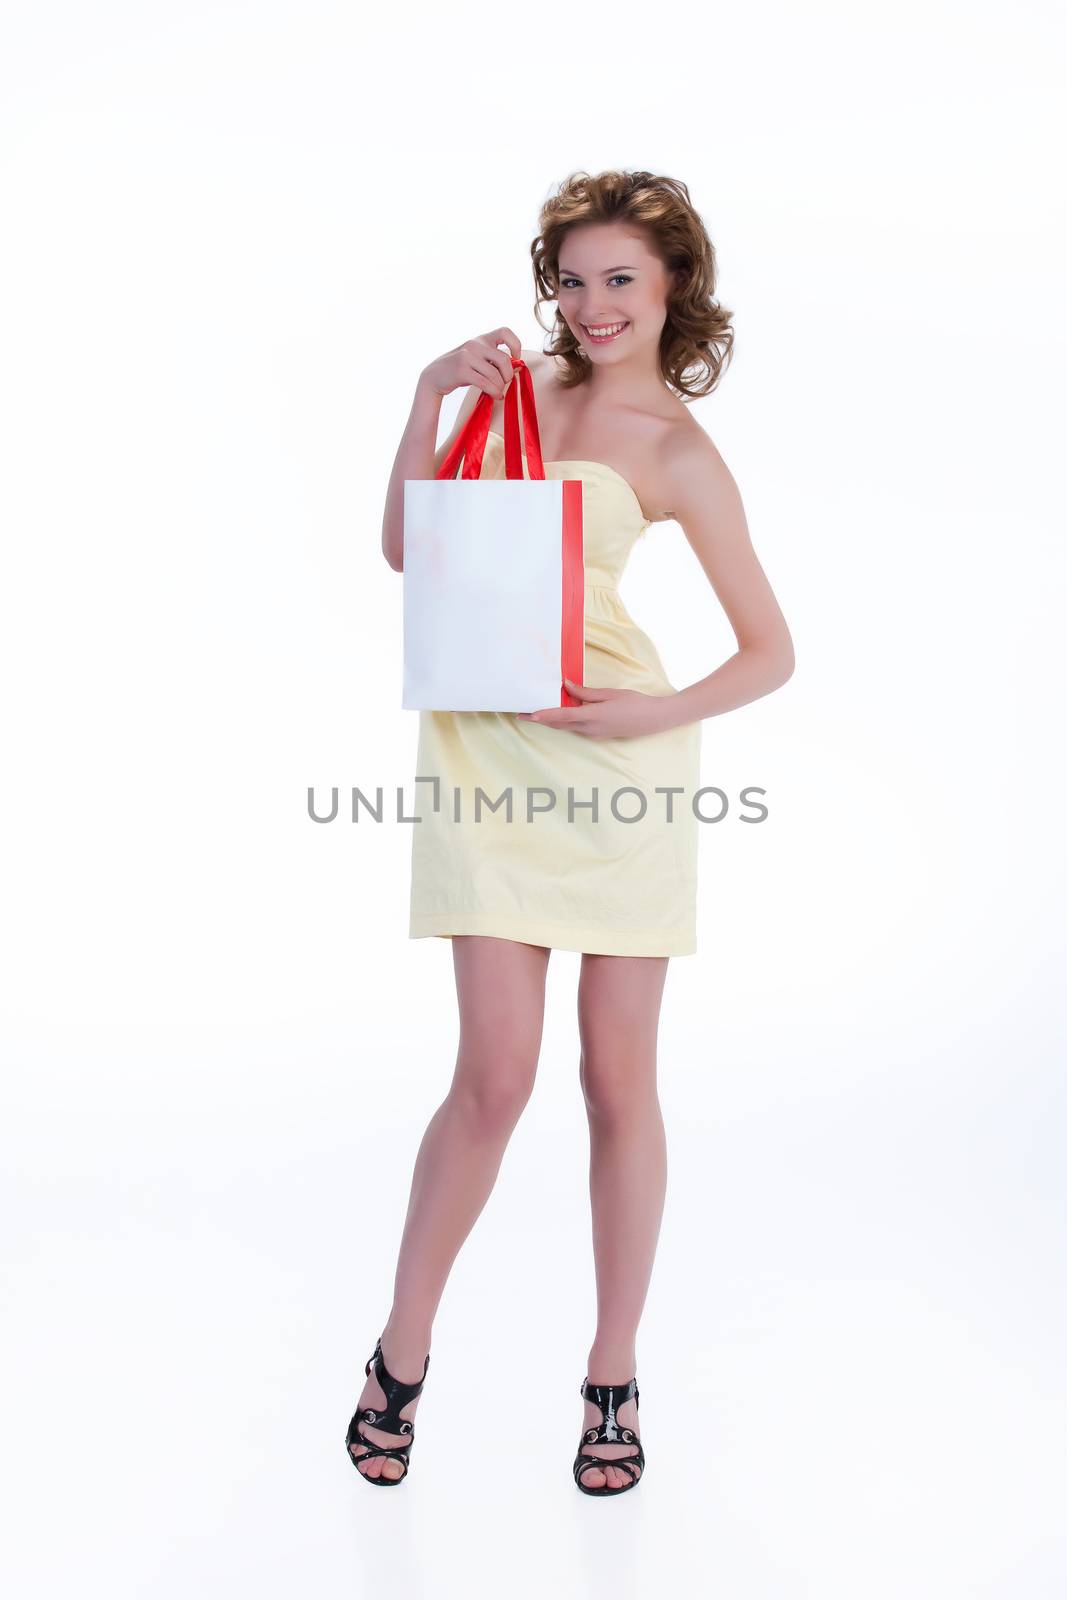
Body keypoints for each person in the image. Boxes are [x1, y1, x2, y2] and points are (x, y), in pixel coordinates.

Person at [347, 168, 795, 1494]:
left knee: (616, 1085)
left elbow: (772, 652)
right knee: (493, 1080)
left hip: (623, 771)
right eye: (575, 278)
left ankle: (612, 1372)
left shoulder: (673, 449)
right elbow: (406, 552)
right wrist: (428, 397)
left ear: (671, 297)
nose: (592, 306)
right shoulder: (503, 394)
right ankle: (401, 1351)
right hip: (488, 753)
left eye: (622, 282)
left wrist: (659, 709)